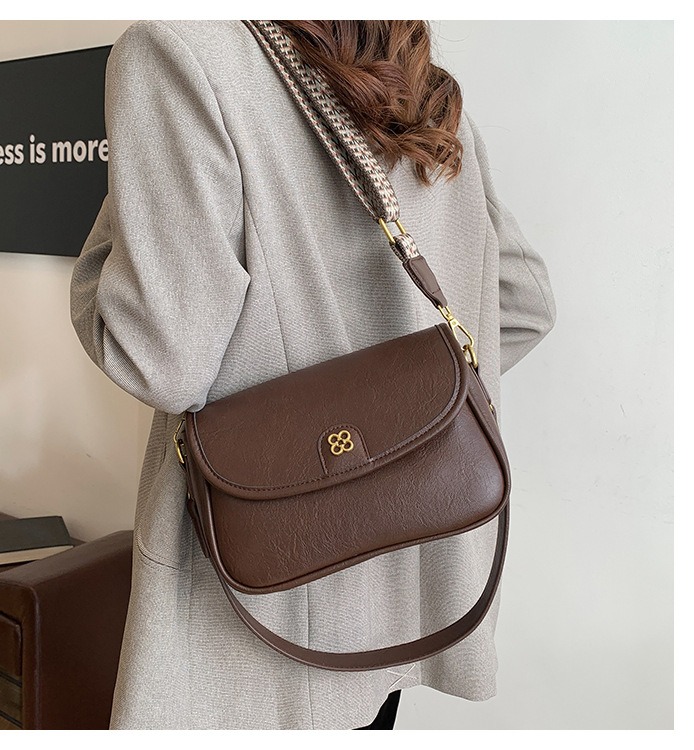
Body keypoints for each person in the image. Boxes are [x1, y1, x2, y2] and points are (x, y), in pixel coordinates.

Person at [70, 19, 556, 731]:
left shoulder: (177, 55)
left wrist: (102, 259)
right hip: (409, 567)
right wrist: (402, 416)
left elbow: (158, 357)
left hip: (259, 600)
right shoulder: (422, 89)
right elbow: (522, 302)